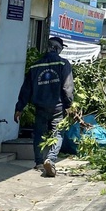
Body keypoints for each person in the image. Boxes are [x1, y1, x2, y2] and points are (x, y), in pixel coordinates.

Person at [14, 37, 74, 178]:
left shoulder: (35, 66)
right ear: (58, 48)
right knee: (58, 134)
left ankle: (39, 162)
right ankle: (51, 159)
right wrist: (69, 104)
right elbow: (67, 86)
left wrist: (19, 107)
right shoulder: (63, 63)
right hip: (58, 107)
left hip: (40, 106)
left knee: (39, 134)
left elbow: (26, 89)